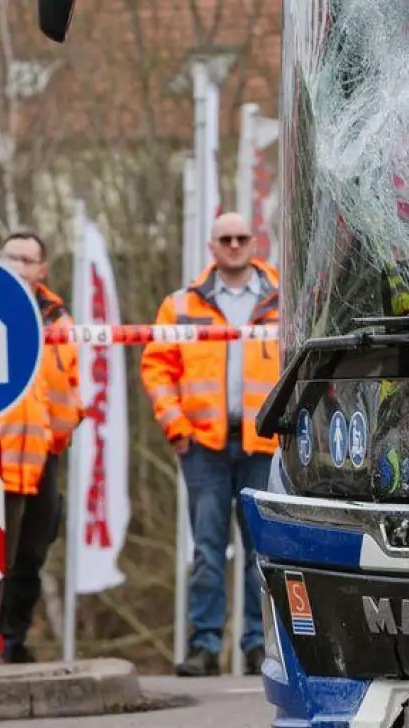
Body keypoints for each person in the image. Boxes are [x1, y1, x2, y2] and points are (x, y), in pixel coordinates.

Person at [141, 212, 281, 677]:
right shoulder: (181, 304)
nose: (235, 245)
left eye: (242, 237)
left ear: (254, 242)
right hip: (202, 444)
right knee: (207, 549)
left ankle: (259, 644)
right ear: (212, 246)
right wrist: (175, 426)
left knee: (261, 551)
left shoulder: (284, 296)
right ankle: (204, 645)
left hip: (264, 441)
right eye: (226, 238)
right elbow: (157, 367)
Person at [0, 231, 84, 664]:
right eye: (11, 258)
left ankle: (13, 638)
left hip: (45, 453)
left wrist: (60, 435)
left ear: (42, 269)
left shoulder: (57, 318)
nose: (18, 267)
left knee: (33, 550)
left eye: (27, 260)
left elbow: (71, 384)